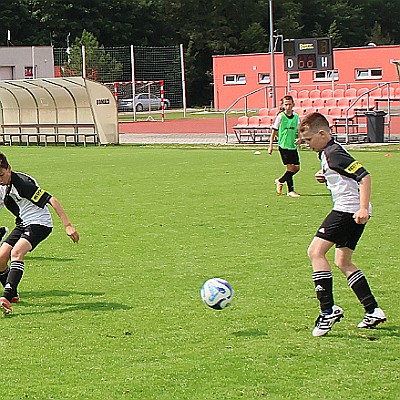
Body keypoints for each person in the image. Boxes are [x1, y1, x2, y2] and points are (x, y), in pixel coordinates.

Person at [299, 112, 386, 337]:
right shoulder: (330, 152)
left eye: (309, 140)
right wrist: (326, 175)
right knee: (343, 261)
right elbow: (343, 174)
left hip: (348, 210)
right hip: (352, 210)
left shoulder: (333, 153)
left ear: (322, 133)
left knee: (315, 252)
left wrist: (363, 208)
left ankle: (327, 310)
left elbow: (364, 176)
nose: (307, 145)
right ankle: (373, 310)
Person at [0, 152, 79, 316]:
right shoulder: (3, 185)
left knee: (16, 253)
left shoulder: (23, 184)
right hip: (23, 223)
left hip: (39, 223)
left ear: (9, 169)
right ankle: (13, 294)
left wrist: (68, 225)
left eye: (1, 175)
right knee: (1, 259)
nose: (0, 180)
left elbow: (52, 199)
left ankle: (6, 297)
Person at [268, 95, 302, 198]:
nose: (288, 106)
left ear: (293, 105)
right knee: (290, 167)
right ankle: (290, 191)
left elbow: (299, 129)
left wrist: (300, 138)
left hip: (292, 146)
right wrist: (271, 146)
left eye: (289, 104)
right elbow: (274, 131)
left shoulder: (296, 117)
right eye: (286, 104)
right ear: (283, 105)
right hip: (283, 145)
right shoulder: (280, 117)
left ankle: (280, 181)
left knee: (296, 168)